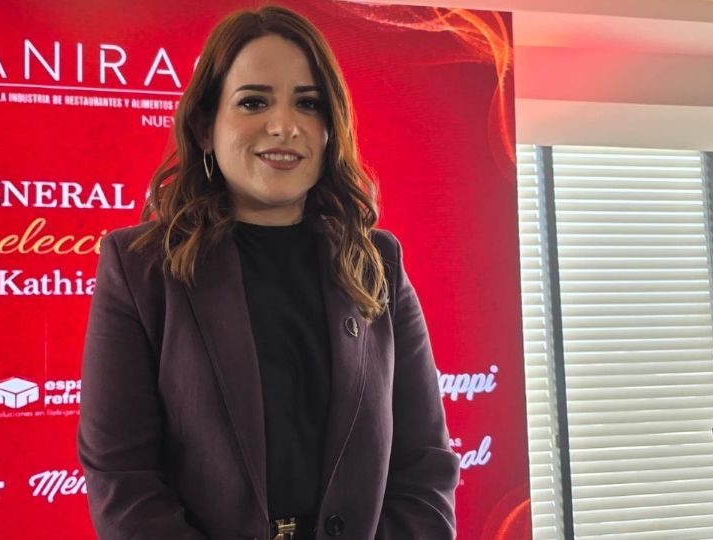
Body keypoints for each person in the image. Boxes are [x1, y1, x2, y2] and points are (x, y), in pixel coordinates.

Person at [78, 5, 459, 539]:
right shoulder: (139, 267)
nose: (284, 126)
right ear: (205, 127)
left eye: (309, 103)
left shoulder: (377, 261)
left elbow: (424, 466)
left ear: (331, 129)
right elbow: (123, 480)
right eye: (253, 101)